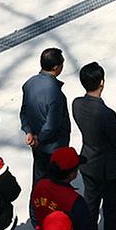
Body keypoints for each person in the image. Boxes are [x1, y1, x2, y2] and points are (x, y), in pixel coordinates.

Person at [71, 61, 116, 230]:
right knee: (111, 211)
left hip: (87, 162)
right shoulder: (106, 113)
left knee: (91, 205)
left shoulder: (77, 103)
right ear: (101, 82)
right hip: (107, 168)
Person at [29, 147, 101, 230]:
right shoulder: (75, 201)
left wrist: (40, 228)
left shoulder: (40, 186)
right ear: (72, 174)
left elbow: (33, 212)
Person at [20, 47, 70, 184]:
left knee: (39, 180)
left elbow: (23, 112)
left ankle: (35, 205)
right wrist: (38, 138)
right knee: (56, 182)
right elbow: (51, 125)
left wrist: (28, 131)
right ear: (55, 67)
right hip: (53, 145)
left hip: (37, 145)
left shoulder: (29, 84)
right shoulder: (55, 93)